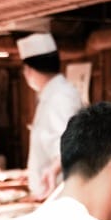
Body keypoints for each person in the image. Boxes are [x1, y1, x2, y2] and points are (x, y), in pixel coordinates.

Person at [17, 33, 82, 198]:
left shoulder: (60, 96)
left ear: (29, 70)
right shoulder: (52, 95)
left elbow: (68, 145)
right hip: (49, 194)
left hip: (57, 193)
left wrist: (52, 171)